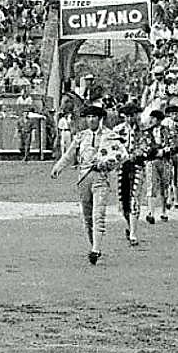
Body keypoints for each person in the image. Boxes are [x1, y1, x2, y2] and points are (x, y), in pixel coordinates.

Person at [51, 104, 123, 265]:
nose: (91, 120)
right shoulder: (82, 135)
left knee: (99, 215)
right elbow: (70, 154)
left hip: (100, 178)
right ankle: (94, 245)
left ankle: (96, 249)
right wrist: (58, 167)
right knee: (87, 217)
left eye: (94, 117)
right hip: (83, 178)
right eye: (88, 117)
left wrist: (107, 165)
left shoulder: (110, 135)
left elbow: (120, 155)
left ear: (100, 118)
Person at [112, 102, 158, 246]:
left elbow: (150, 148)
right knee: (123, 201)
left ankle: (133, 233)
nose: (130, 118)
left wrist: (139, 154)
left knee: (134, 198)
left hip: (138, 166)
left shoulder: (144, 130)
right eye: (127, 116)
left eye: (133, 115)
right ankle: (130, 225)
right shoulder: (117, 130)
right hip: (121, 167)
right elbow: (111, 148)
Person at [145, 109, 173, 224]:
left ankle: (163, 211)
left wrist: (164, 151)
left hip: (164, 160)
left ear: (159, 120)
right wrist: (157, 151)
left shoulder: (166, 131)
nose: (151, 120)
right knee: (151, 185)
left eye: (153, 118)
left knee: (164, 185)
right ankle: (151, 212)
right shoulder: (146, 132)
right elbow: (145, 146)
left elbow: (172, 144)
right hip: (152, 160)